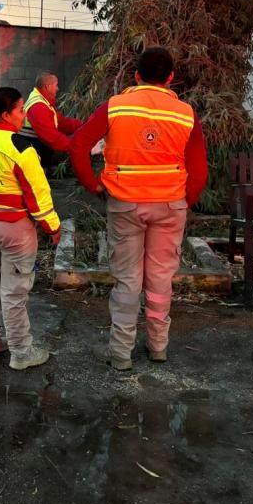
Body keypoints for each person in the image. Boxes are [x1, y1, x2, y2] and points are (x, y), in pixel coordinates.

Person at [69, 47, 208, 370]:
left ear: (136, 75)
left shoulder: (115, 107)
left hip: (125, 205)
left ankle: (121, 354)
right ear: (171, 78)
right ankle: (158, 347)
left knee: (128, 280)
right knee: (160, 279)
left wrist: (94, 185)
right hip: (170, 205)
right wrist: (184, 202)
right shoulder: (185, 113)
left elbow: (78, 144)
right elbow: (199, 169)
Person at [0, 87, 61, 370]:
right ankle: (21, 352)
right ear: (6, 115)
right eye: (20, 110)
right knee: (14, 292)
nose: (24, 115)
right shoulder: (20, 146)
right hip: (15, 227)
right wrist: (52, 226)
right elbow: (38, 194)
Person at [18, 71, 82, 169]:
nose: (58, 89)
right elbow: (51, 136)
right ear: (48, 87)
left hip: (36, 151)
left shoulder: (42, 102)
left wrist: (83, 125)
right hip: (34, 155)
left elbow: (60, 123)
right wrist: (78, 145)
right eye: (56, 85)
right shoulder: (39, 106)